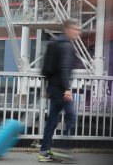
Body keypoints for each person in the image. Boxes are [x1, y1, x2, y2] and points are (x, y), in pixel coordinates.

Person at [40, 20, 81, 163]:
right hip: (62, 90)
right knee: (71, 117)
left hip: (54, 87)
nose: (78, 32)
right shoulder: (66, 45)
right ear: (68, 29)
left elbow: (50, 68)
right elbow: (64, 68)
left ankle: (44, 151)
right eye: (76, 29)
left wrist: (48, 88)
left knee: (52, 119)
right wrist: (67, 89)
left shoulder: (55, 42)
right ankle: (63, 149)